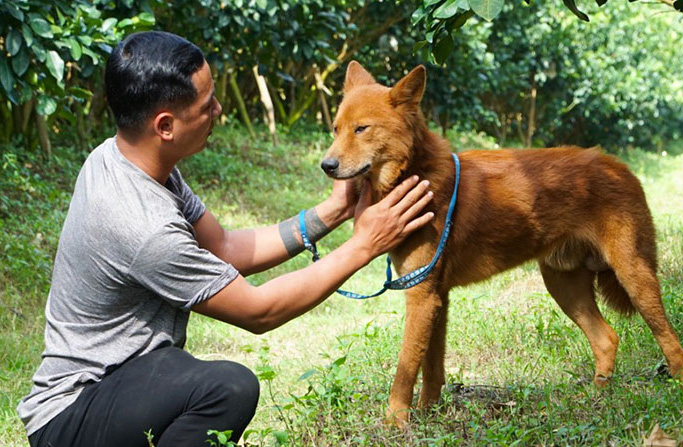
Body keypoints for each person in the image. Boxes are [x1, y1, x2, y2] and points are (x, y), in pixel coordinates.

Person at [17, 31, 434, 447]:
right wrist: (363, 245)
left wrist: (334, 211)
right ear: (165, 125)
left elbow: (226, 249)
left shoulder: (123, 157)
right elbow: (259, 312)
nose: (219, 109)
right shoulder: (142, 225)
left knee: (190, 373)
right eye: (206, 105)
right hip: (72, 414)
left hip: (125, 376)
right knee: (226, 389)